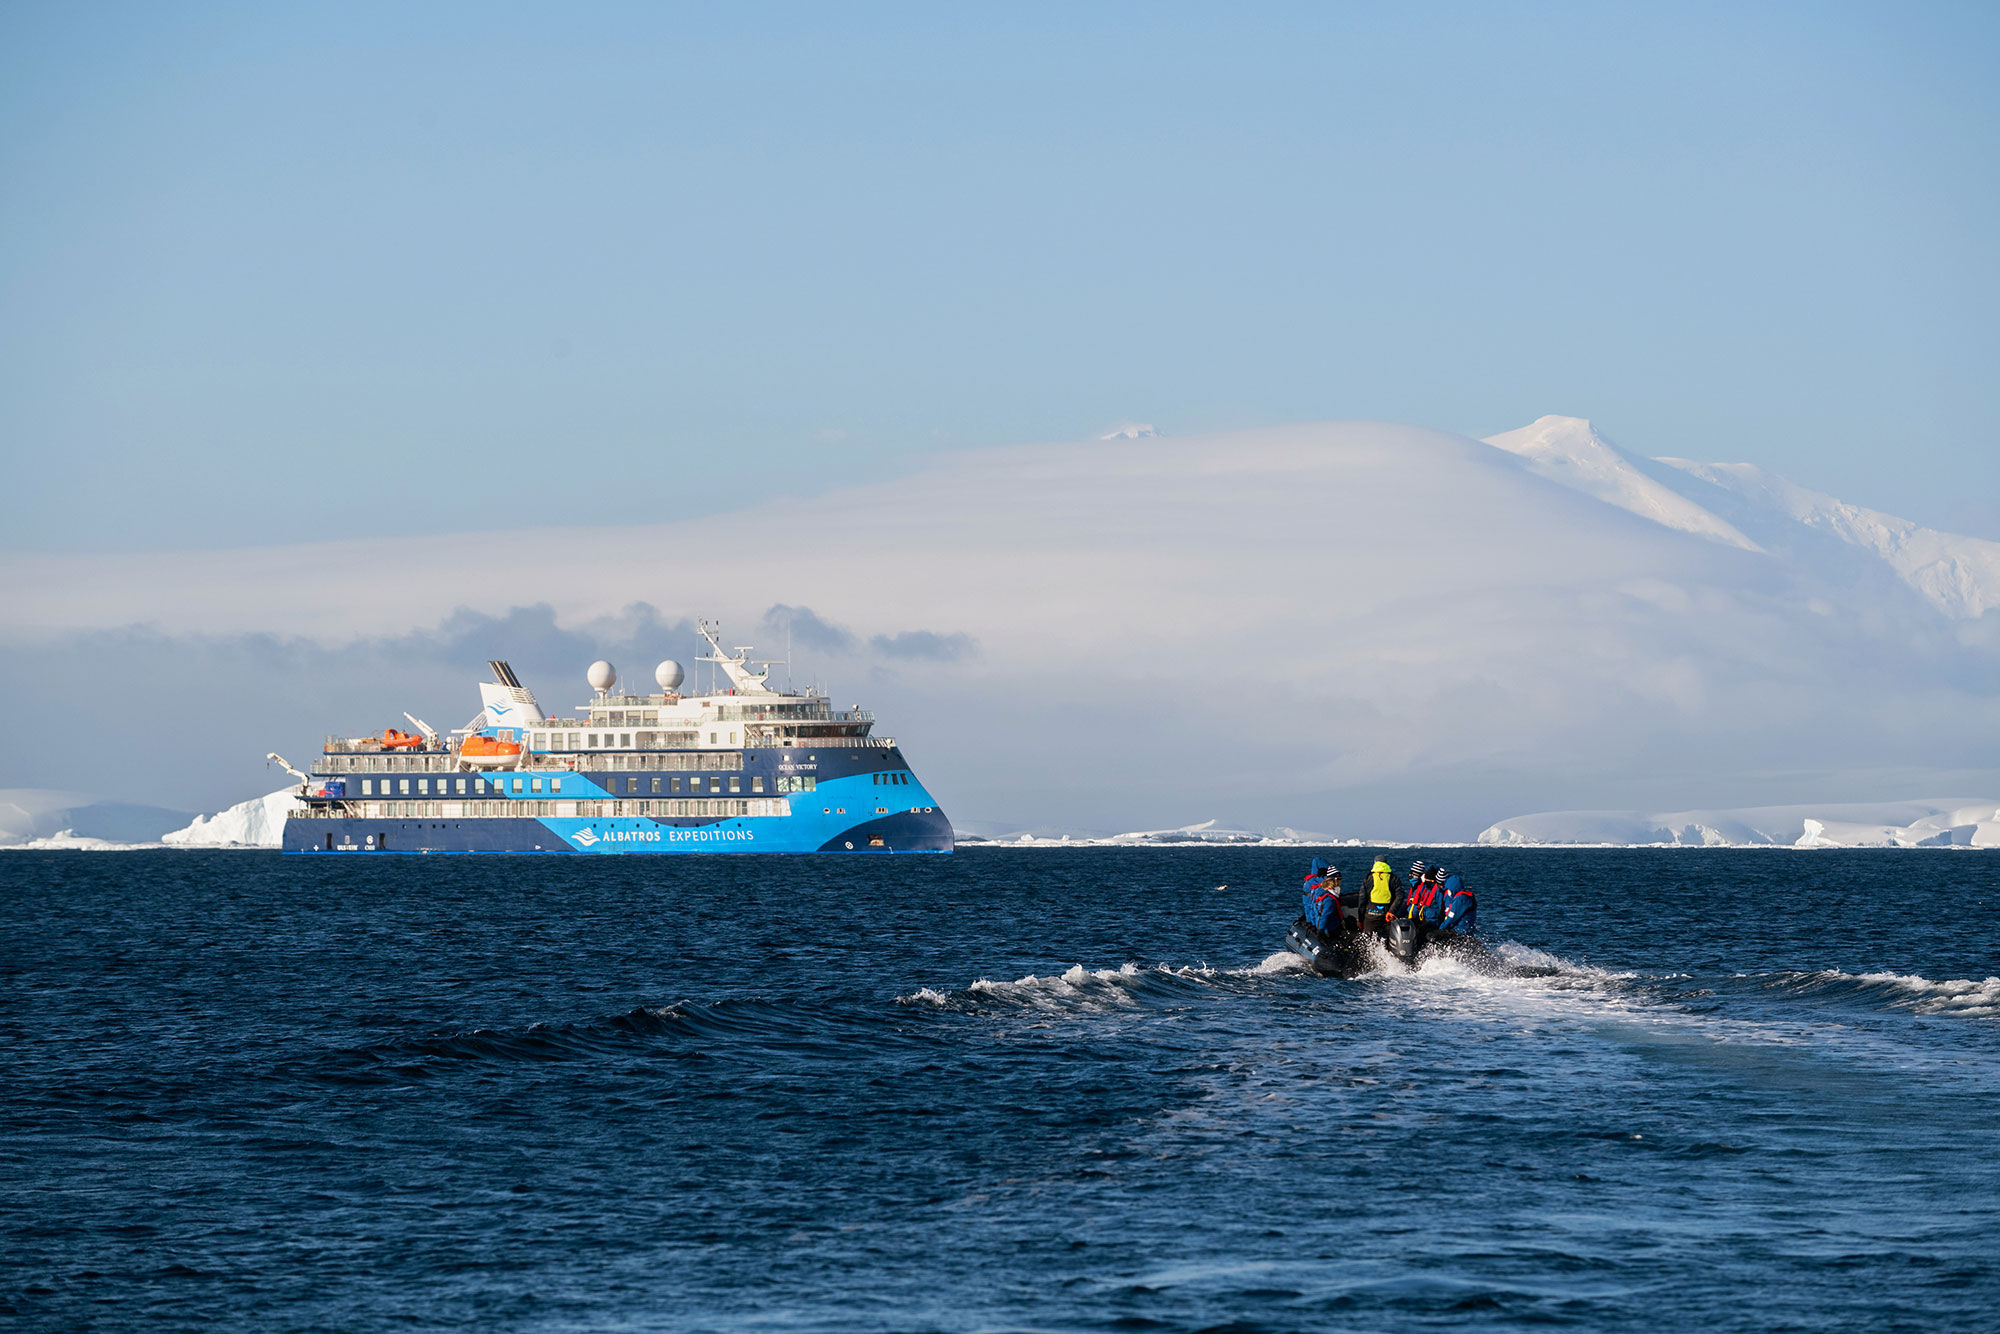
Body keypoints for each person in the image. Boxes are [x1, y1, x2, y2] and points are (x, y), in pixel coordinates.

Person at [1300, 858, 1343, 933]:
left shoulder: (1310, 881)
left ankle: (1312, 923)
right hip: (1328, 927)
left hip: (1315, 920)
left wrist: (1310, 920)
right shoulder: (1321, 886)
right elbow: (1325, 914)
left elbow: (1309, 904)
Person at [1363, 858, 1403, 934]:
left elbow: (1362, 899)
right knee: (1387, 937)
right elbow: (1400, 896)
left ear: (1375, 863)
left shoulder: (1368, 878)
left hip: (1371, 914)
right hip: (1387, 914)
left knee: (1368, 937)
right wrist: (1391, 911)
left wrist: (1361, 919)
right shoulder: (1394, 878)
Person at [1436, 870, 1477, 936]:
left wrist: (1441, 929)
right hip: (1463, 930)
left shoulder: (1460, 899)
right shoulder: (1463, 897)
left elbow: (1451, 917)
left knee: (1432, 935)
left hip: (1460, 931)